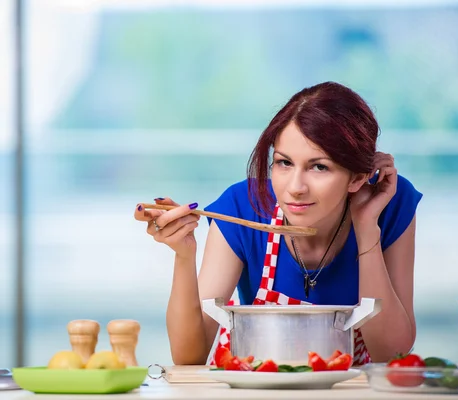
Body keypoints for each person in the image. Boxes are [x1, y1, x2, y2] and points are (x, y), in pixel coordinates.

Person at [134, 81, 422, 366]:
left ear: (358, 178)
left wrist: (366, 224)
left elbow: (391, 353)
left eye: (319, 167)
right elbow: (189, 356)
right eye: (284, 163)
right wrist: (184, 255)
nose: (295, 187)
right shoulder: (243, 207)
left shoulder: (389, 204)